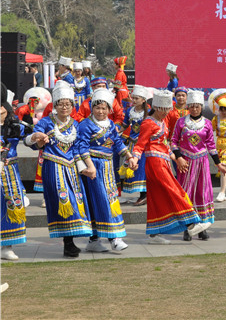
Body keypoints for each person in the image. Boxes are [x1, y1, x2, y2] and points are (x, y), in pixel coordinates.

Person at [131, 89, 211, 244]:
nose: (166, 112)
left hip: (164, 161)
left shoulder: (162, 121)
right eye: (163, 110)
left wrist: (175, 157)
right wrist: (134, 158)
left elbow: (165, 144)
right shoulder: (148, 123)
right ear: (157, 108)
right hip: (155, 163)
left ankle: (154, 233)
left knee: (156, 197)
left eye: (168, 109)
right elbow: (140, 144)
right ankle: (192, 222)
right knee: (174, 190)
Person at [24, 84, 95, 257]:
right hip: (53, 168)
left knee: (76, 201)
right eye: (61, 104)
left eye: (68, 104)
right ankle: (68, 243)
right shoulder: (47, 122)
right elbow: (31, 140)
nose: (64, 107)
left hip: (71, 170)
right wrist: (37, 137)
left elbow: (78, 148)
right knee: (64, 203)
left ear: (72, 106)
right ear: (55, 105)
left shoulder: (76, 125)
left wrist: (86, 166)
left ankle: (70, 241)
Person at [77, 88, 135, 252]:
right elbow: (82, 148)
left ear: (110, 109)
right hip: (94, 169)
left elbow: (117, 143)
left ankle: (95, 239)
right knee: (102, 201)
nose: (101, 111)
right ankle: (113, 238)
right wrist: (90, 166)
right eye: (97, 107)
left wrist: (130, 157)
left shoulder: (110, 124)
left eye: (104, 108)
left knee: (109, 199)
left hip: (108, 167)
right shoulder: (86, 125)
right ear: (92, 108)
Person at [171, 90, 218, 241]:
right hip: (185, 163)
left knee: (202, 194)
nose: (194, 108)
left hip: (202, 162)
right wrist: (179, 158)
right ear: (188, 106)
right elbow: (173, 142)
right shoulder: (181, 122)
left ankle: (202, 227)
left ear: (201, 107)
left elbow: (211, 145)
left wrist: (218, 163)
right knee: (187, 194)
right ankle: (188, 227)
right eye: (192, 106)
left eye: (197, 106)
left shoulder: (208, 124)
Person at [1, 103, 31, 260]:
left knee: (10, 207)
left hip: (10, 171)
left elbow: (28, 139)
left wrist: (35, 138)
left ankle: (7, 246)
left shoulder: (14, 126)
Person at [121, 85, 149, 205]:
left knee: (142, 168)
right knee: (134, 168)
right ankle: (141, 194)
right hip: (132, 144)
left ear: (143, 100)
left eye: (137, 98)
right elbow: (125, 125)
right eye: (133, 98)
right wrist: (116, 130)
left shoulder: (148, 112)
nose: (134, 100)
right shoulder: (129, 111)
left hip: (144, 144)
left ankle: (144, 194)